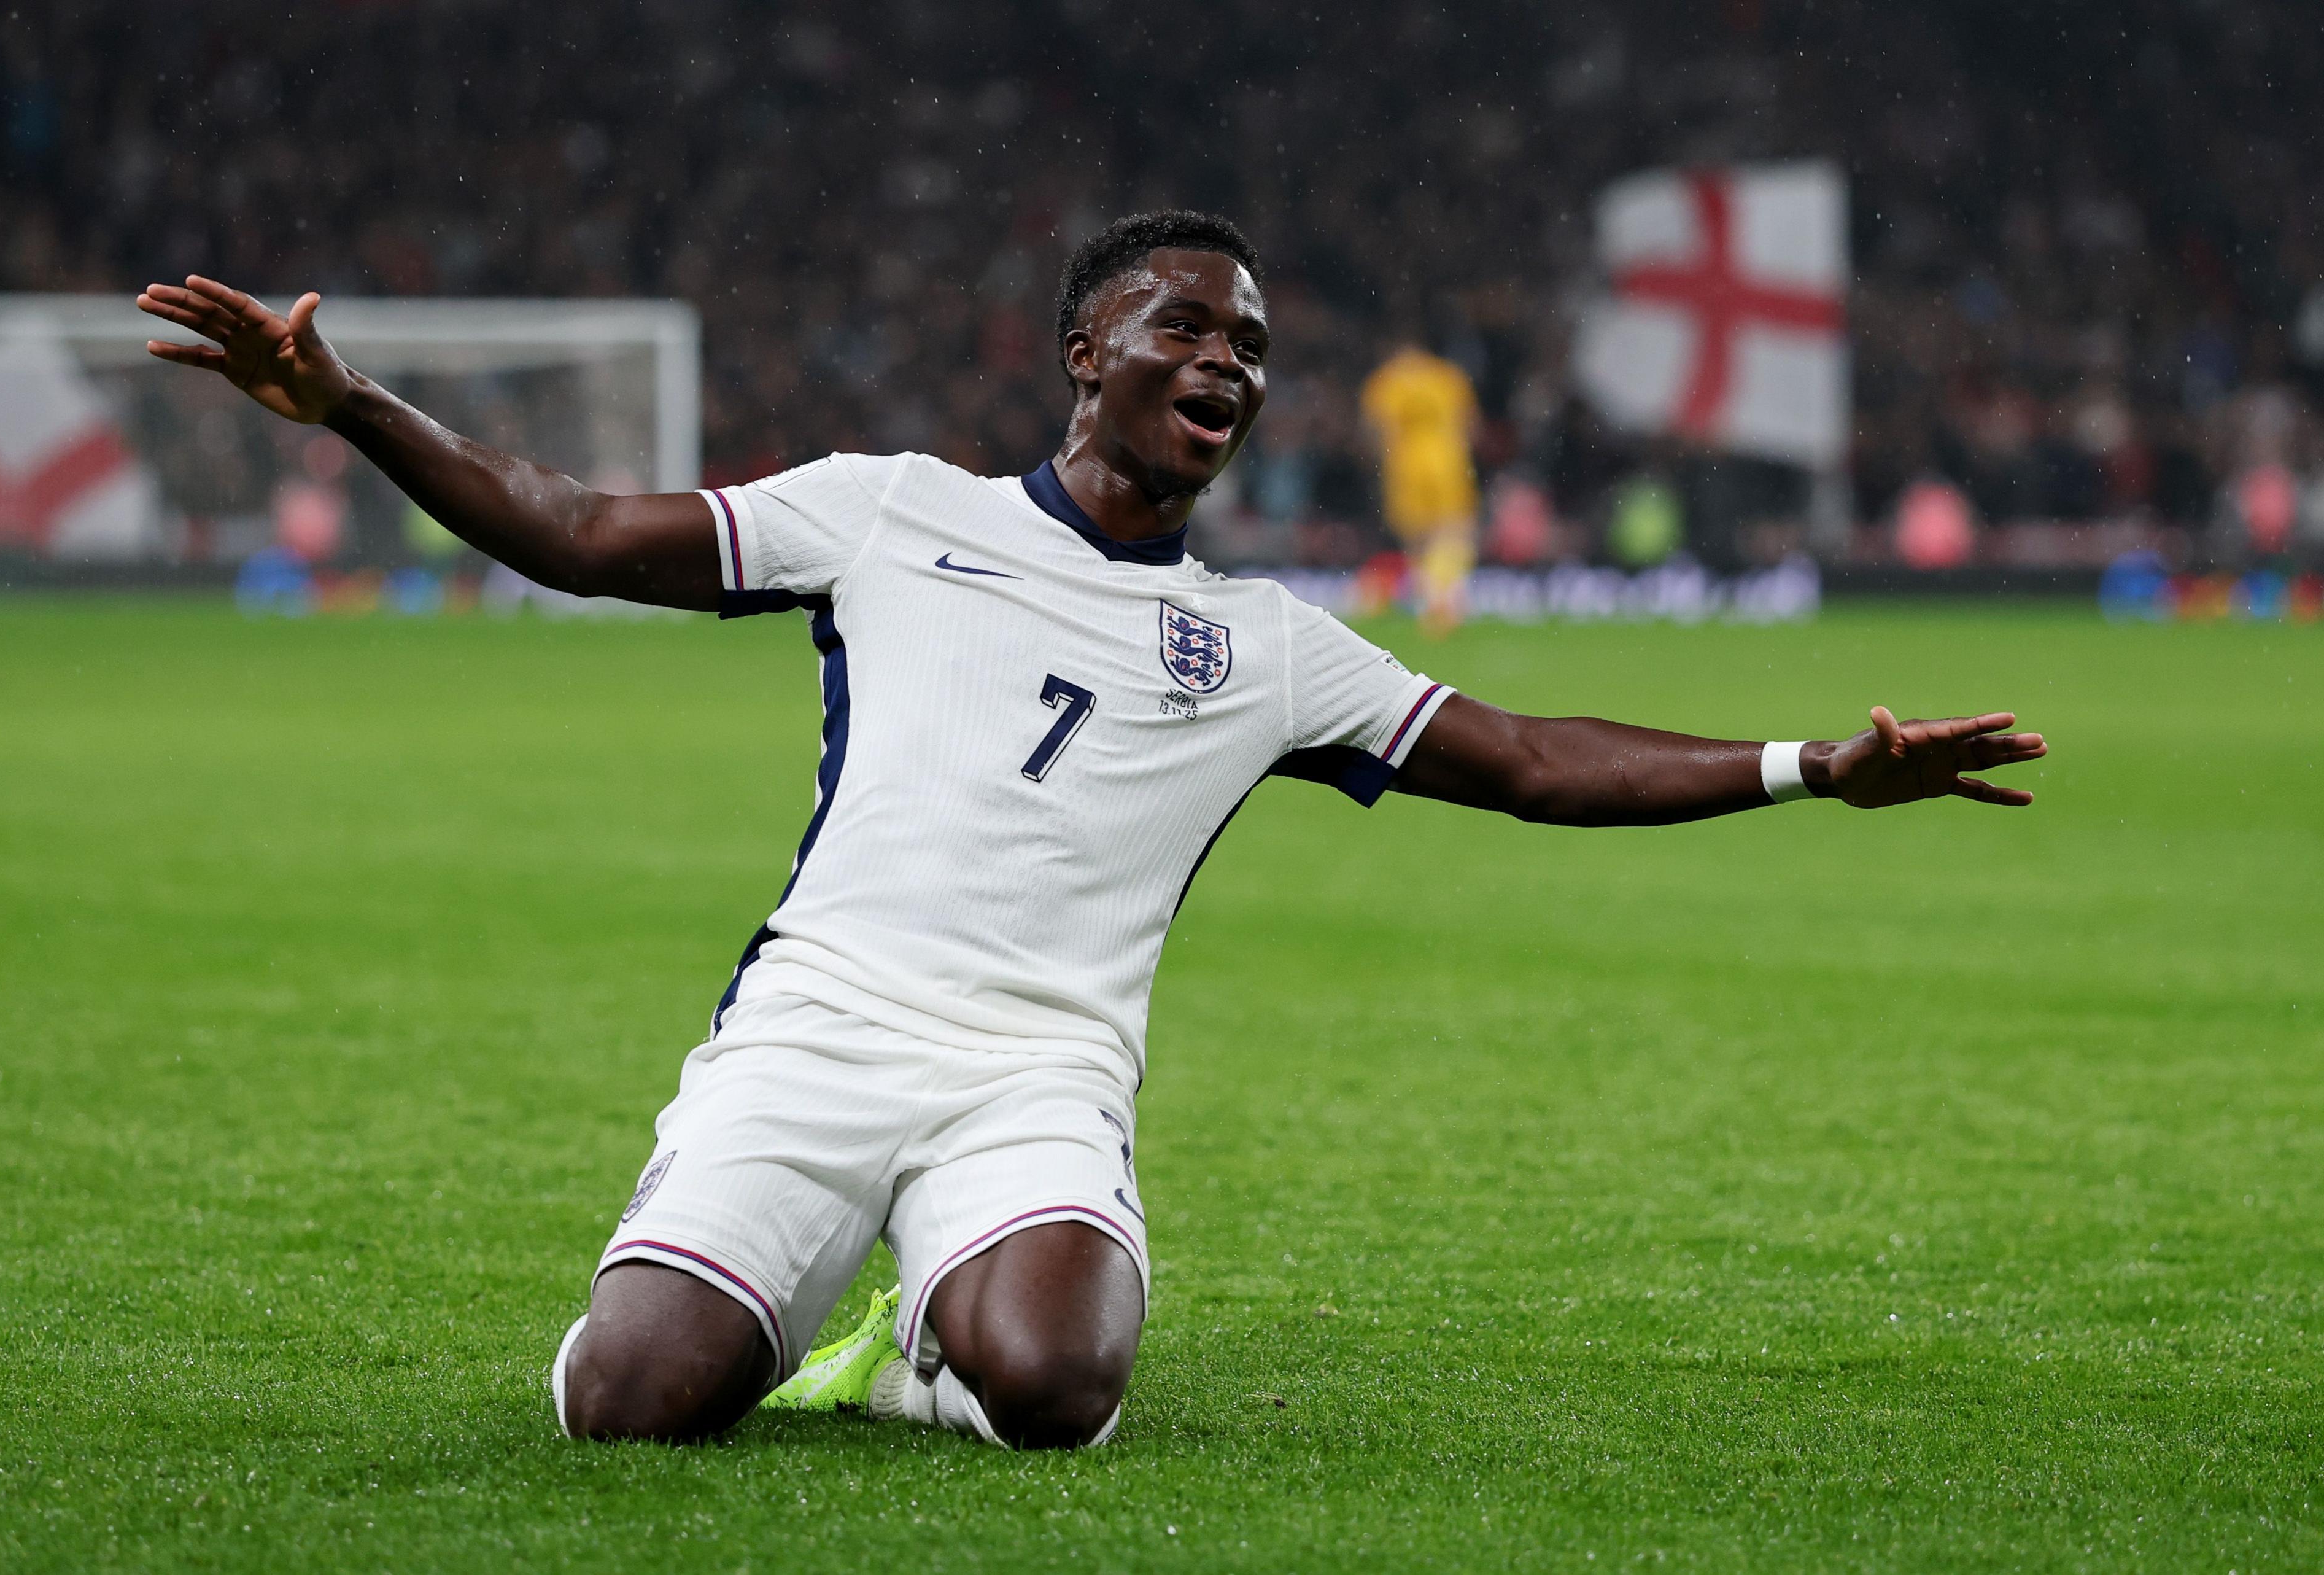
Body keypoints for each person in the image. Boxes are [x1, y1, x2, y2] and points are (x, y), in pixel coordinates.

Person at [136, 209, 2047, 1452]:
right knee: (627, 1407)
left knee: (1054, 1387)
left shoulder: (1263, 648)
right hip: (818, 1029)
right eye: (1188, 329)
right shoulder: (884, 513)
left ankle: (919, 1352)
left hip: (1035, 1074)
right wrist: (350, 408)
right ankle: (788, 1290)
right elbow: (569, 527)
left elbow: (1534, 757)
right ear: (1084, 351)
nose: (1228, 367)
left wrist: (1815, 765)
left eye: (1252, 351)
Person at [1359, 332, 1483, 635]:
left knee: (1417, 539)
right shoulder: (1447, 375)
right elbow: (1471, 425)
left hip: (1405, 462)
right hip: (1446, 459)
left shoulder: (1387, 379)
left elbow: (1376, 430)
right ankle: (1447, 602)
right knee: (1456, 529)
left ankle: (1430, 604)